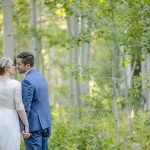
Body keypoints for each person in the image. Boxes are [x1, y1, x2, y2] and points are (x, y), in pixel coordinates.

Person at [16, 51, 52, 150]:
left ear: (27, 65)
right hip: (46, 123)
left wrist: (23, 127)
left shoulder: (27, 81)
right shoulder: (40, 76)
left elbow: (25, 107)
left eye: (19, 64)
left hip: (33, 126)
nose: (16, 66)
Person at [0, 57, 30, 150]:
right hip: (11, 119)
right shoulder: (15, 84)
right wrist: (26, 124)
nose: (15, 67)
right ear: (6, 68)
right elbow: (20, 107)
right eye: (13, 65)